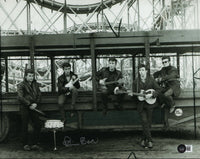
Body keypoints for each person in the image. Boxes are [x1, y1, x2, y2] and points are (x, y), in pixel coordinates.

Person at [130, 64, 162, 148]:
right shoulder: (135, 82)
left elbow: (159, 89)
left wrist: (152, 95)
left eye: (143, 70)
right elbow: (133, 96)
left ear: (146, 71)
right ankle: (150, 140)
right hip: (141, 106)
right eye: (140, 70)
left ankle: (143, 139)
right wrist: (135, 96)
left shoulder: (151, 80)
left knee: (148, 123)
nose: (141, 72)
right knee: (144, 121)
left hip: (150, 104)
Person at [17, 69, 43, 151]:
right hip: (25, 107)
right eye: (29, 76)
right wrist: (29, 104)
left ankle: (34, 144)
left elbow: (39, 94)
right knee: (25, 126)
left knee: (38, 124)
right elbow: (20, 97)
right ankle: (25, 144)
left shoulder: (35, 84)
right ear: (25, 76)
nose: (31, 77)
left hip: (34, 107)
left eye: (32, 76)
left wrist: (36, 103)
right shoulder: (21, 85)